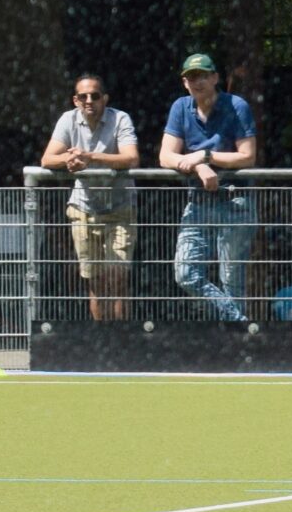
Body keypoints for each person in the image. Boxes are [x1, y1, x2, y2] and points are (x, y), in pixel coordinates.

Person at [160, 52, 259, 324]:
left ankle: (233, 340)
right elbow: (165, 156)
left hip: (235, 201)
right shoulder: (180, 107)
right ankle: (239, 321)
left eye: (203, 75)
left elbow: (248, 156)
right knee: (185, 273)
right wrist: (198, 167)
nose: (197, 82)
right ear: (184, 83)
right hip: (198, 202)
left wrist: (206, 157)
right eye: (191, 77)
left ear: (215, 78)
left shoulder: (236, 105)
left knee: (232, 279)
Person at [41, 74, 140, 322]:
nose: (89, 101)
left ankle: (122, 338)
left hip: (120, 209)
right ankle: (101, 339)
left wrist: (90, 157)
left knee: (118, 279)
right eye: (83, 96)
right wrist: (70, 159)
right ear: (75, 100)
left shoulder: (120, 118)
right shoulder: (68, 119)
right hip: (83, 209)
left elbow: (131, 158)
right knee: (95, 282)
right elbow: (47, 159)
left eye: (95, 96)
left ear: (105, 98)